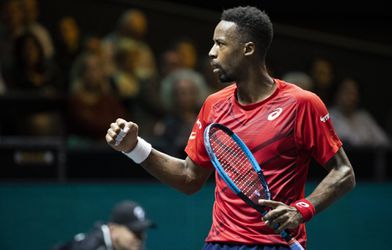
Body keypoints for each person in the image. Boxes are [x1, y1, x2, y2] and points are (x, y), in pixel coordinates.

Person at [106, 6, 355, 249]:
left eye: (221, 44)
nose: (212, 53)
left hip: (275, 243)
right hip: (220, 243)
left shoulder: (301, 104)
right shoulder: (214, 105)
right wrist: (134, 148)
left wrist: (302, 210)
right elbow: (189, 178)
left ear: (248, 49)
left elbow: (344, 172)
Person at [53, 200, 155, 250]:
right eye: (135, 232)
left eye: (142, 231)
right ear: (113, 229)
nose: (142, 237)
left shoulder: (125, 246)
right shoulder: (92, 247)